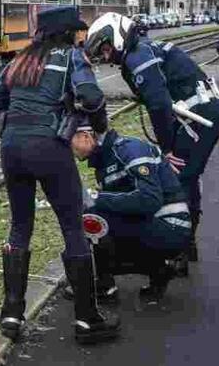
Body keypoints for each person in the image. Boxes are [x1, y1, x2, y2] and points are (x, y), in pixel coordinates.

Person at [0, 5, 119, 345]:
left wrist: (14, 131)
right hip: (49, 148)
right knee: (72, 225)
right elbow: (90, 96)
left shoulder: (19, 59)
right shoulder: (71, 57)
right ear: (66, 33)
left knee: (20, 226)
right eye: (77, 30)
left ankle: (12, 314)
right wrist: (98, 126)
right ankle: (88, 319)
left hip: (12, 148)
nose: (80, 35)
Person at [84, 13, 219, 268]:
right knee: (183, 175)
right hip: (199, 114)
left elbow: (159, 105)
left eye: (105, 48)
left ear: (116, 35)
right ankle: (185, 243)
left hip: (200, 117)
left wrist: (167, 148)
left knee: (180, 175)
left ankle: (181, 247)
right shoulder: (142, 50)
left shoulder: (137, 57)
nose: (105, 56)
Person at [70, 121, 192, 302]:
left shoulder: (128, 149)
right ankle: (159, 269)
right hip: (157, 224)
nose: (70, 150)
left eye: (69, 142)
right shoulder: (106, 160)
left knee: (93, 218)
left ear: (86, 136)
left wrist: (97, 198)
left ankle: (104, 286)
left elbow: (149, 200)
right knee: (92, 216)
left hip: (171, 226)